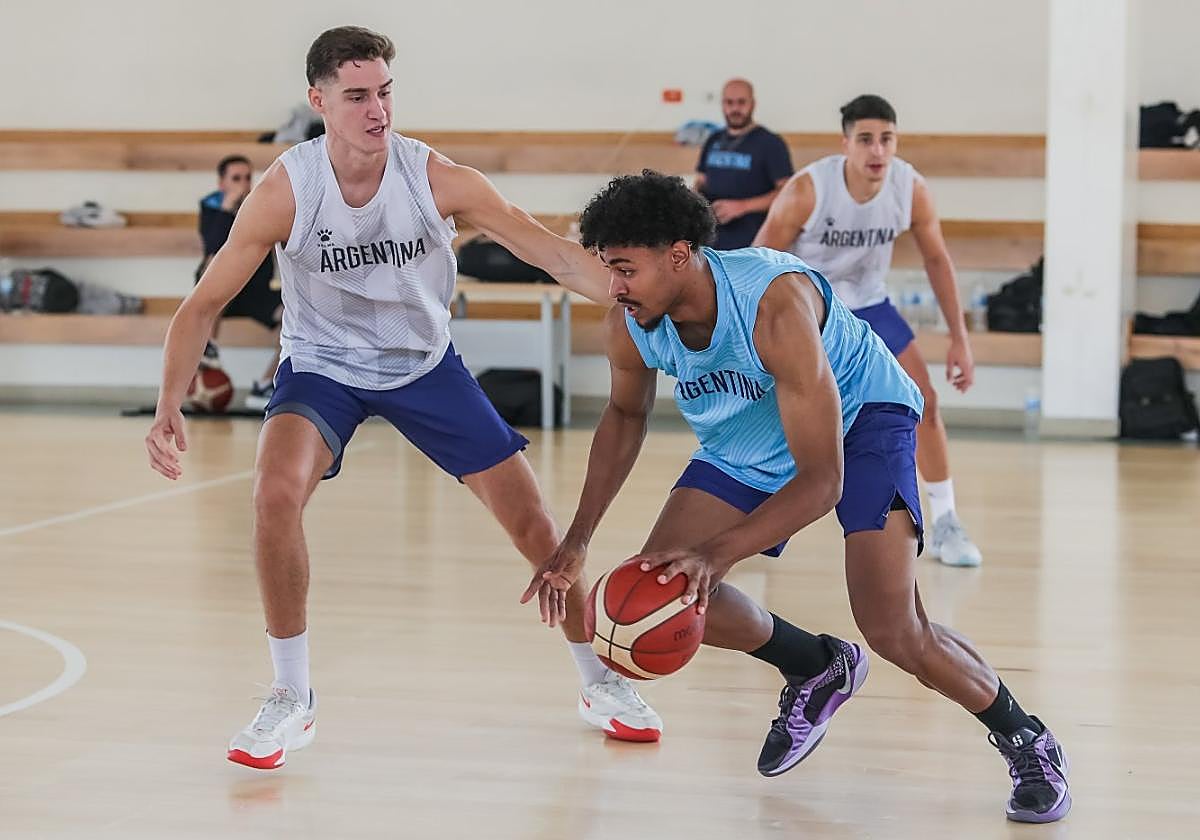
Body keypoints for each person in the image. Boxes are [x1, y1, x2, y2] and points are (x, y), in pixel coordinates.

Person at [144, 25, 661, 770]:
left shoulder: (436, 177)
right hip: (322, 365)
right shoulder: (288, 189)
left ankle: (598, 682)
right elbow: (201, 305)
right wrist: (168, 403)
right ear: (319, 101)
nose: (376, 109)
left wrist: (631, 287)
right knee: (273, 493)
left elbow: (545, 250)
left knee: (533, 523)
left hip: (424, 365)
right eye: (357, 96)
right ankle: (293, 696)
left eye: (384, 91)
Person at [529, 171, 1071, 824]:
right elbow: (622, 417)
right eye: (607, 269)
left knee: (895, 628)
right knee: (663, 584)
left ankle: (1026, 738)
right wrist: (577, 541)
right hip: (750, 432)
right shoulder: (632, 322)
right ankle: (816, 665)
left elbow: (822, 481)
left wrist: (718, 554)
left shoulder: (772, 303)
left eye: (625, 269)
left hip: (864, 418)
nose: (613, 287)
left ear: (679, 254)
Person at [754, 94, 982, 567]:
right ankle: (758, 518)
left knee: (925, 401)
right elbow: (759, 262)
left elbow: (937, 258)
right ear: (845, 144)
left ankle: (946, 523)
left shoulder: (910, 188)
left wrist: (959, 338)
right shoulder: (807, 190)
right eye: (866, 140)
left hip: (870, 306)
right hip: (811, 310)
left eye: (886, 140)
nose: (877, 151)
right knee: (783, 418)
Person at [196, 155, 284, 410]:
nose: (244, 184)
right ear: (221, 182)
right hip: (223, 288)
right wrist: (227, 209)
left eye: (247, 178)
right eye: (236, 179)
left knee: (298, 316)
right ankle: (207, 346)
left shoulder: (260, 204)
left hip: (255, 291)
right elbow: (213, 247)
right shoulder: (211, 206)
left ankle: (266, 384)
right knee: (213, 274)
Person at [694, 79, 793, 250]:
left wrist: (742, 207)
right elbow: (701, 181)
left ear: (752, 104)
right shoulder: (713, 139)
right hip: (710, 242)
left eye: (741, 102)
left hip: (753, 243)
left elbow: (788, 193)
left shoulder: (770, 143)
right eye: (729, 102)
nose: (735, 109)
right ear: (722, 104)